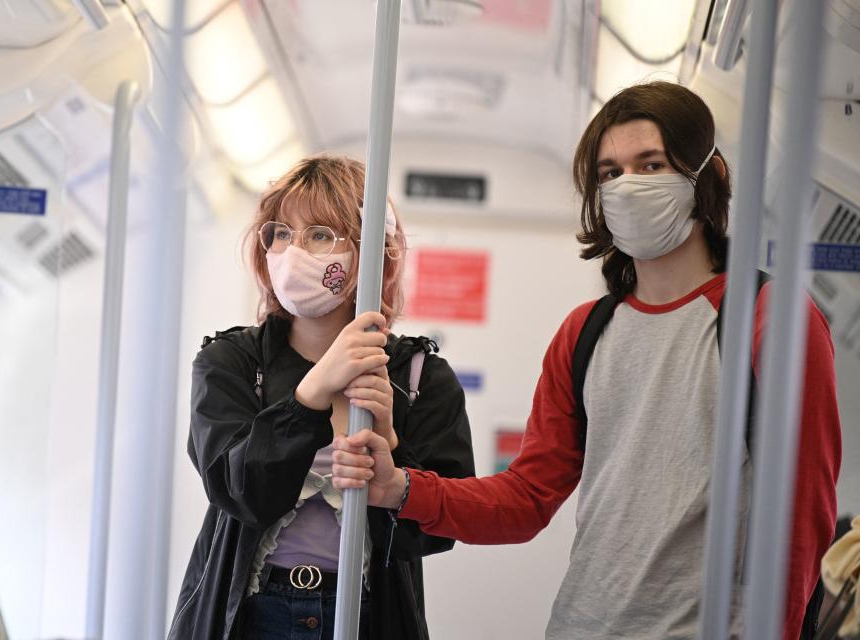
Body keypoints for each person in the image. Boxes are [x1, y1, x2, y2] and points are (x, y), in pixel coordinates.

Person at [332, 82, 842, 639]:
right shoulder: (585, 332)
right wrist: (400, 488)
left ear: (708, 177)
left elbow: (801, 518)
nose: (627, 186)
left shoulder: (769, 319)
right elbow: (526, 498)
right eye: (610, 173)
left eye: (651, 165)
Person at [168, 155, 476, 640]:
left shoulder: (420, 378)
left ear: (372, 252)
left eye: (319, 235)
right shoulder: (230, 363)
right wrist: (310, 395)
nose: (294, 252)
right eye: (281, 234)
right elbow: (239, 492)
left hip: (368, 612)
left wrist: (393, 460)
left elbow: (440, 528)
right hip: (252, 612)